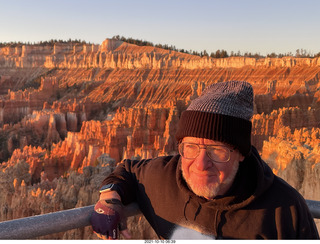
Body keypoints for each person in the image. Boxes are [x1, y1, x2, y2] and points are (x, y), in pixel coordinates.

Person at [90, 81, 319, 239]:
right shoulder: (164, 178)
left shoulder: (286, 211)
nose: (200, 163)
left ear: (240, 152)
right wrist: (110, 197)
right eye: (191, 147)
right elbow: (127, 171)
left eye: (216, 150)